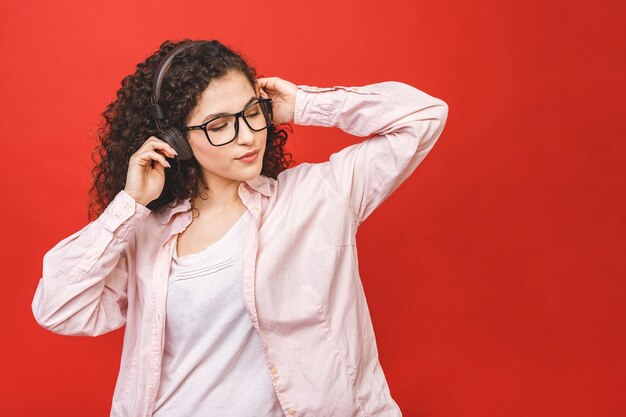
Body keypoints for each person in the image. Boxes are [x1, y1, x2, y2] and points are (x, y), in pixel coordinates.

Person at [31, 39, 449, 417]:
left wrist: (303, 103)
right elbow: (58, 308)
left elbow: (424, 115)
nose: (247, 136)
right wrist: (130, 205)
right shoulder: (148, 233)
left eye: (252, 113)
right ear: (175, 140)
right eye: (218, 125)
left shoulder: (320, 196)